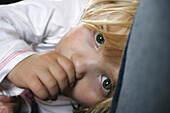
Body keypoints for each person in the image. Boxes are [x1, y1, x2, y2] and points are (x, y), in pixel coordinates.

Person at [0, 0, 139, 113]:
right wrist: (19, 62)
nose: (77, 65)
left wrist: (21, 105)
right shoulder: (67, 13)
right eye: (99, 39)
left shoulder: (82, 107)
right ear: (101, 6)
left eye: (106, 83)